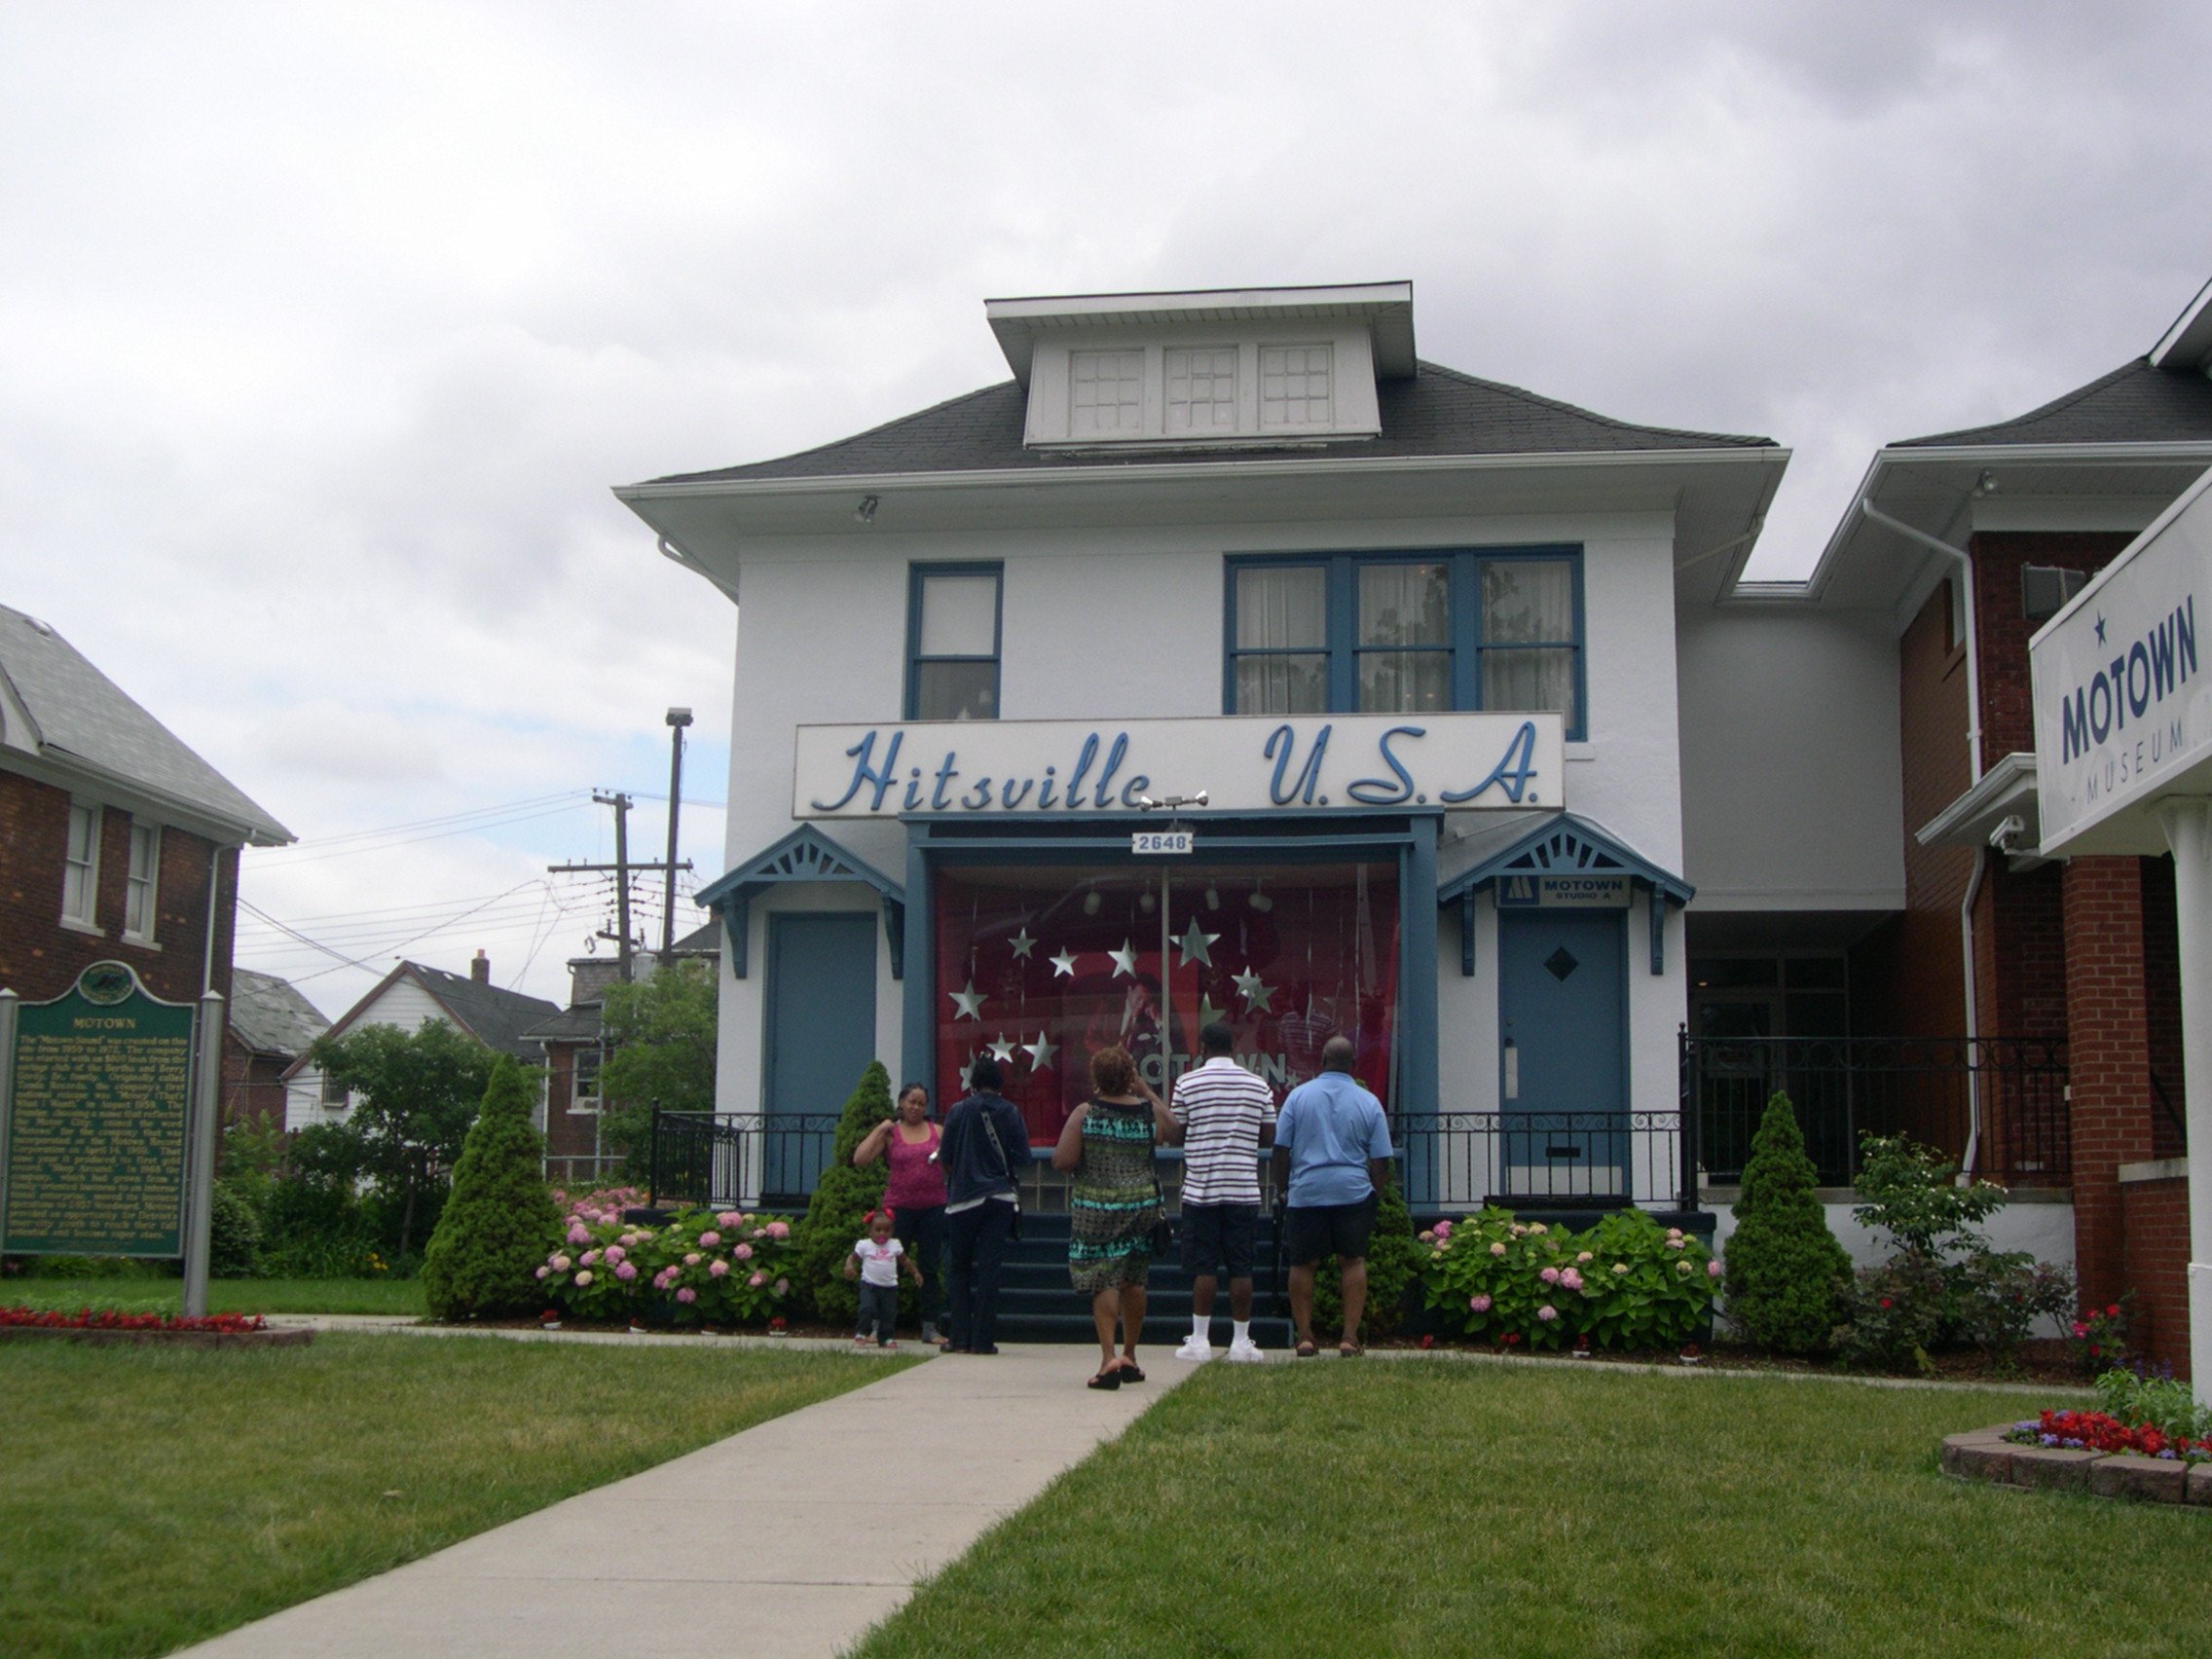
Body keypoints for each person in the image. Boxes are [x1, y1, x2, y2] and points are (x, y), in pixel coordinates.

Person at [1053, 1044, 1176, 1389]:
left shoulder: (1085, 1113)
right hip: (1141, 1206)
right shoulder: (1146, 1113)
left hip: (1097, 1208)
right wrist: (1147, 1092)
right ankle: (1130, 1356)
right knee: (1134, 1280)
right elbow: (1174, 1129)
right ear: (1130, 1075)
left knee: (1104, 1279)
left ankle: (1108, 1359)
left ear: (1096, 1077)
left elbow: (1063, 1160)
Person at [1272, 1033, 1394, 1358]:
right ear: (1353, 1064)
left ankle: (1305, 1337)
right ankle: (1349, 1338)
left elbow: (1281, 1150)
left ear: (1323, 1060)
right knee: (1352, 1261)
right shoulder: (1369, 1102)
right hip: (1353, 1192)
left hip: (1307, 1191)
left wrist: (1283, 1190)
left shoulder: (1298, 1097)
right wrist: (1375, 1195)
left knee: (1302, 1263)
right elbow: (1381, 1158)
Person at [1167, 1021, 1276, 1363]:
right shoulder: (1258, 1085)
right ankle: (1241, 1341)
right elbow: (1269, 1136)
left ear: (1202, 1048)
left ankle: (1200, 1339)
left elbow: (1176, 1133)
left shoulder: (1187, 1083)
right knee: (1241, 1268)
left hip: (1201, 1189)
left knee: (1204, 1267)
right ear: (1234, 1048)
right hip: (1243, 1189)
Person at [938, 1055, 1030, 1354]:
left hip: (964, 1197)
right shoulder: (1011, 1112)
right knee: (990, 1269)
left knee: (960, 1268)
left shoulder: (958, 1110)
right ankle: (983, 1340)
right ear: (999, 1082)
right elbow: (1024, 1156)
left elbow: (945, 1155)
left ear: (974, 1081)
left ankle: (959, 1337)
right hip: (1000, 1196)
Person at [853, 1082, 948, 1344]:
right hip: (897, 1209)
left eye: (921, 1103)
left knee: (929, 1267)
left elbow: (952, 1162)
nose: (916, 1107)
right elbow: (860, 1159)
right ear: (901, 1103)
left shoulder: (937, 1131)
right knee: (886, 1264)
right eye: (911, 1102)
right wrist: (880, 1129)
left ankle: (930, 1327)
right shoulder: (891, 1134)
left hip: (932, 1207)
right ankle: (877, 1327)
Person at [842, 1208, 922, 1347]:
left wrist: (915, 1272)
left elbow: (904, 1260)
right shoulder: (865, 1245)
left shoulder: (894, 1244)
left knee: (889, 1313)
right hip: (869, 1284)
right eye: (878, 1230)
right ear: (870, 1231)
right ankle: (862, 1332)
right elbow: (852, 1257)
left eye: (887, 1230)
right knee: (867, 1308)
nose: (882, 1233)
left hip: (889, 1286)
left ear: (892, 1231)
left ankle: (886, 1337)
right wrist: (849, 1266)